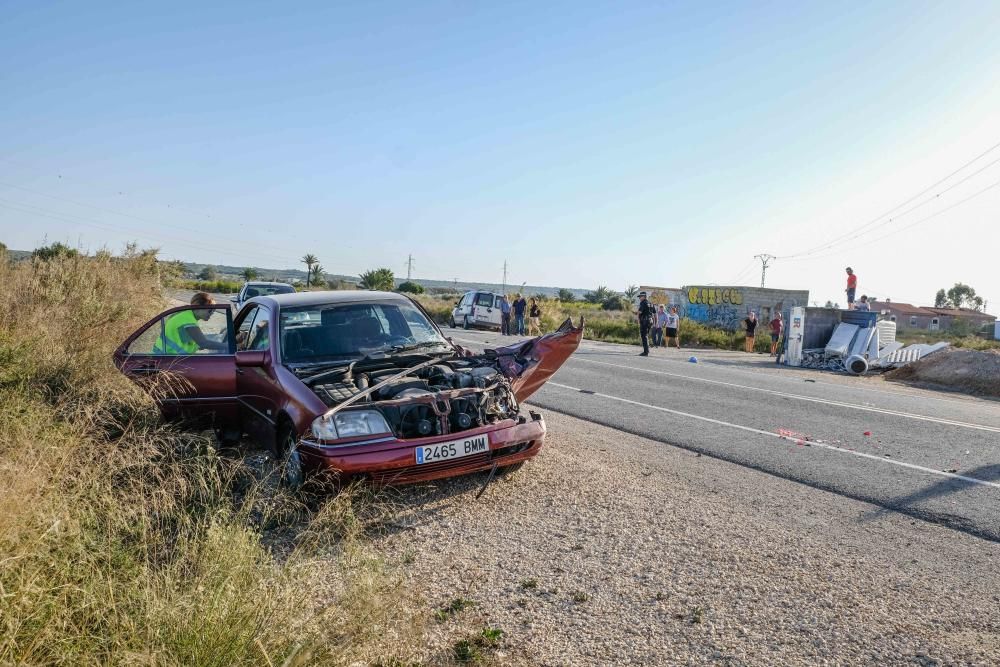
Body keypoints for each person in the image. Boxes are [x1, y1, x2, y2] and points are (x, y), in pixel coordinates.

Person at [154, 292, 229, 354]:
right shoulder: (187, 319)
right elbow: (203, 343)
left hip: (164, 356)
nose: (212, 313)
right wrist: (228, 346)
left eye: (213, 311)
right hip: (165, 360)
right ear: (198, 306)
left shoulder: (185, 314)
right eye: (210, 310)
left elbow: (194, 341)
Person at [636, 291, 654, 356]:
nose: (639, 298)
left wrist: (636, 313)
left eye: (640, 297)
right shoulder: (650, 303)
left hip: (645, 321)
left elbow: (640, 312)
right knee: (646, 335)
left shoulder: (643, 303)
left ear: (644, 296)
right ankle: (647, 350)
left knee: (644, 336)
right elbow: (654, 313)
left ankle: (646, 352)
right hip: (650, 321)